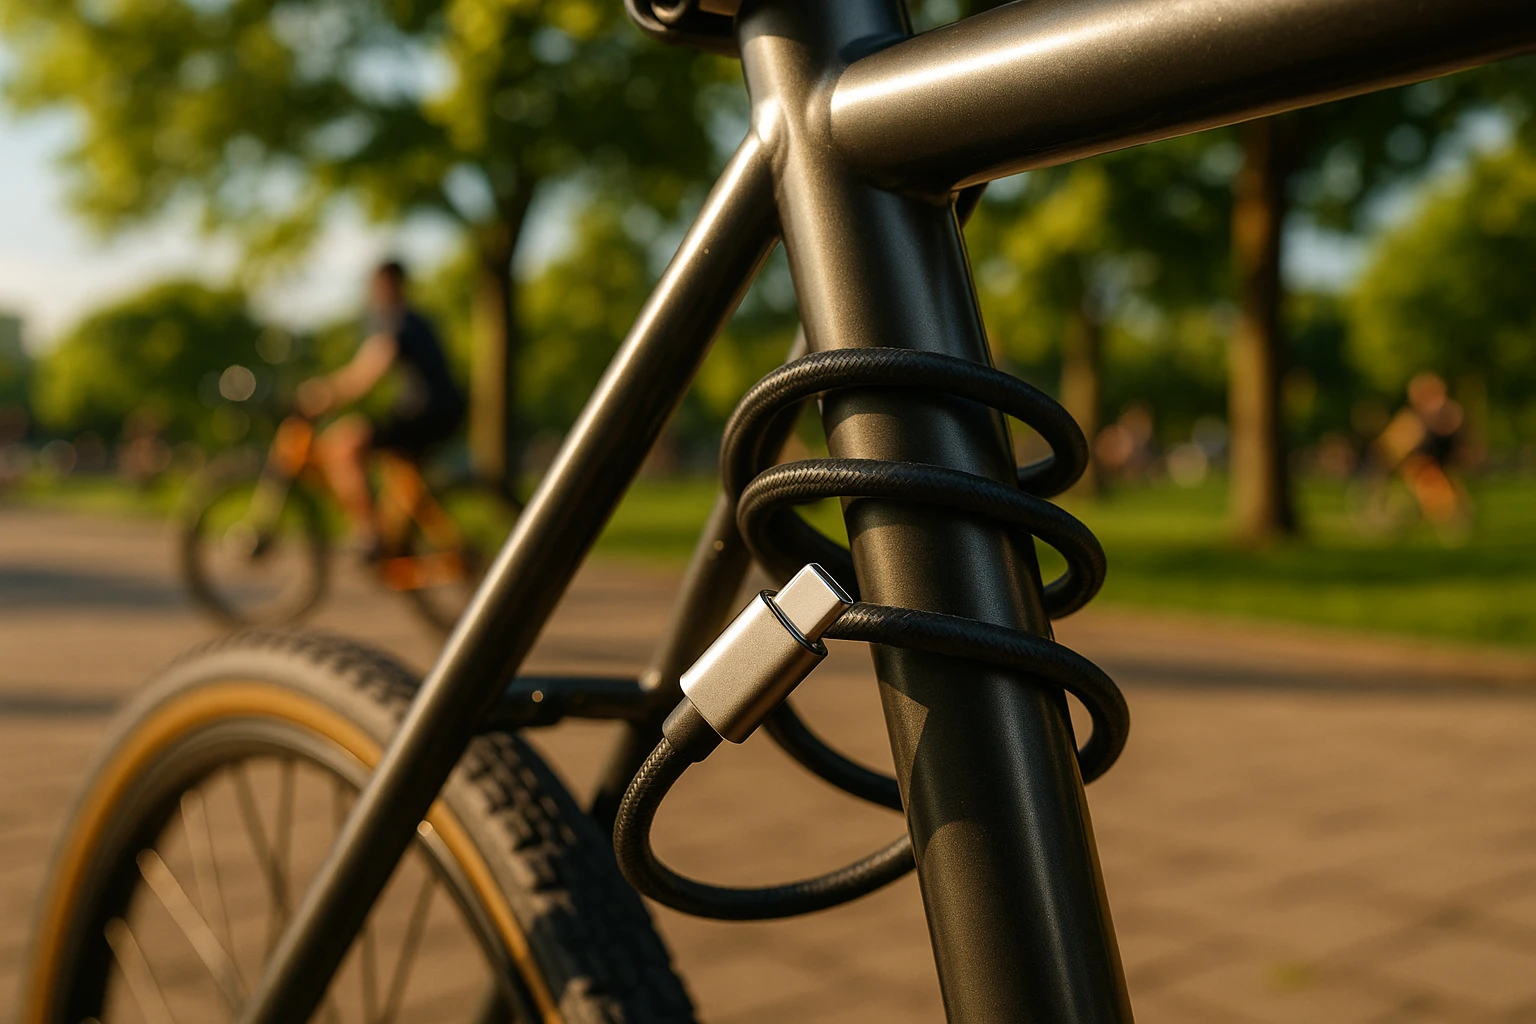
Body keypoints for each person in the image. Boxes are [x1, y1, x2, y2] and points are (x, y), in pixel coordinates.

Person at [297, 260, 466, 557]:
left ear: (390, 286)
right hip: (432, 411)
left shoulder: (397, 322)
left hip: (428, 413)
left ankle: (369, 533)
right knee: (400, 484)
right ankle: (396, 542)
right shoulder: (407, 320)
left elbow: (368, 372)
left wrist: (326, 395)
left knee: (346, 445)